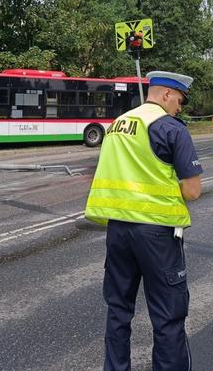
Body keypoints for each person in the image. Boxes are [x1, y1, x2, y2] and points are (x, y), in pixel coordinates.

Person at [86, 70, 203, 371]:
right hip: (157, 233)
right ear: (166, 94)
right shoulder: (171, 127)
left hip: (118, 230)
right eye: (179, 100)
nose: (180, 107)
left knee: (118, 310)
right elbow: (192, 191)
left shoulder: (117, 125)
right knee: (168, 316)